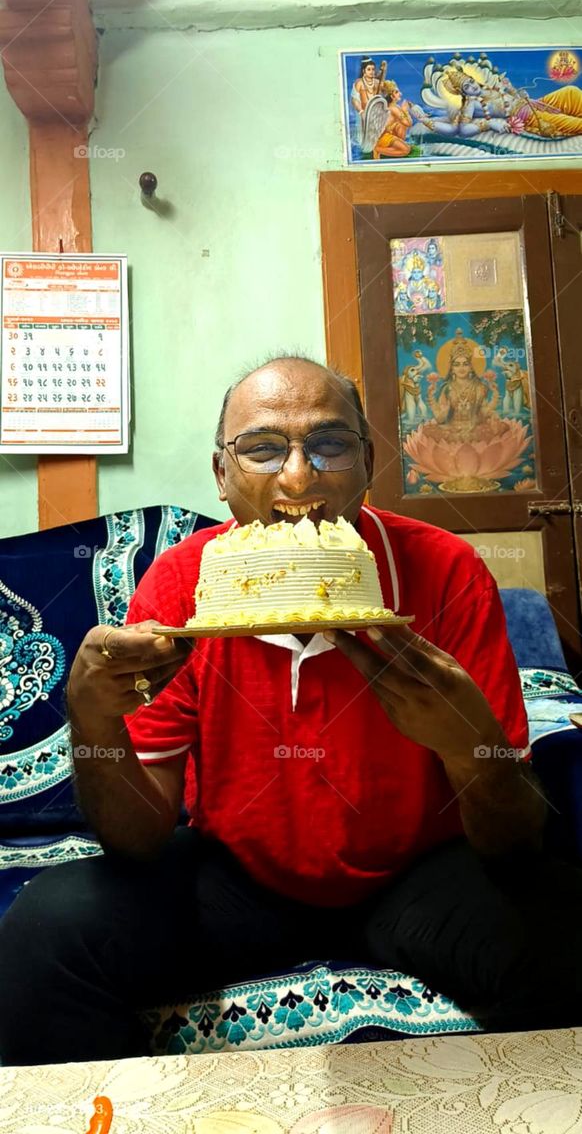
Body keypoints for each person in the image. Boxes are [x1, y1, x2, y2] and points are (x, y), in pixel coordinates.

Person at [1, 354, 581, 1067]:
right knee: (47, 928)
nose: (299, 479)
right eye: (263, 448)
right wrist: (92, 726)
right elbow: (139, 840)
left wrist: (470, 747)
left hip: (416, 874)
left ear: (368, 462)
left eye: (330, 445)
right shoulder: (184, 584)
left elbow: (516, 842)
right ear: (221, 475)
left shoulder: (446, 570)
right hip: (242, 878)